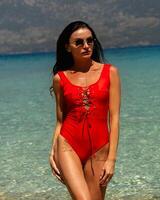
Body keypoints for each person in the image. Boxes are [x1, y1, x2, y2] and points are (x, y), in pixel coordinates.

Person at [48, 21, 121, 200]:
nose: (86, 46)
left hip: (100, 148)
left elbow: (115, 118)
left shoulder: (110, 72)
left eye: (90, 40)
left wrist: (111, 159)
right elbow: (60, 120)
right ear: (67, 47)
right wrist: (52, 152)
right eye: (79, 42)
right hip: (67, 146)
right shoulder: (60, 79)